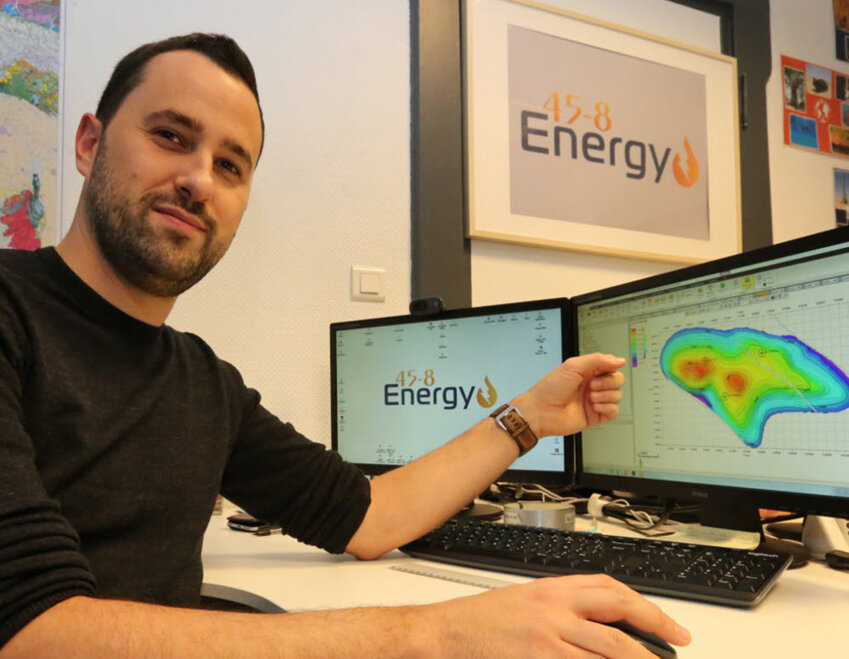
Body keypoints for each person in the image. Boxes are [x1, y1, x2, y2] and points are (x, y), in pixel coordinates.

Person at [0, 33, 691, 657]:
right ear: (89, 143)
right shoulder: (11, 312)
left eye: (231, 165)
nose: (199, 180)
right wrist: (438, 633)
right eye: (171, 135)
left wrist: (528, 417)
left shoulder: (203, 382)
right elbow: (30, 631)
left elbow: (369, 516)